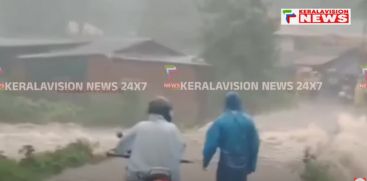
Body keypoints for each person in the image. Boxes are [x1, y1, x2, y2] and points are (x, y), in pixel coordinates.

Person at [115, 96, 185, 181]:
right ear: (167, 113)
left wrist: (119, 151)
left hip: (140, 174)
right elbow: (182, 146)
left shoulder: (140, 126)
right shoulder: (173, 128)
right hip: (169, 174)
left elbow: (123, 144)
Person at [203, 91, 260, 181]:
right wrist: (252, 165)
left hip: (225, 166)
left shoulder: (220, 121)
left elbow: (211, 145)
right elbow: (255, 145)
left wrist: (205, 161)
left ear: (226, 104)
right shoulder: (249, 121)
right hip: (242, 167)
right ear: (239, 103)